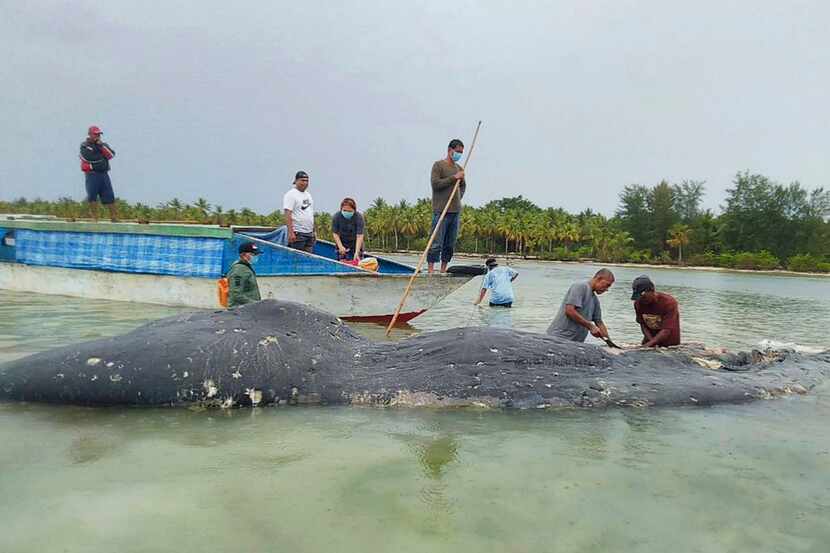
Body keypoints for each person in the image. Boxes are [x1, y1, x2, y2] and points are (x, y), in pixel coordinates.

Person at [428, 138, 466, 273]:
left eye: (461, 152)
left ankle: (443, 270)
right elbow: (436, 184)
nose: (459, 154)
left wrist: (458, 196)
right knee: (436, 242)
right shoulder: (438, 166)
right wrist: (453, 178)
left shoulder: (460, 169)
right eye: (457, 151)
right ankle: (431, 270)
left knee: (449, 244)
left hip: (455, 212)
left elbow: (463, 187)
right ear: (450, 150)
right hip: (441, 210)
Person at [546, 269, 615, 342]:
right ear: (598, 278)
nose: (607, 289)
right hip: (558, 338)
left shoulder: (595, 300)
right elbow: (569, 311)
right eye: (607, 285)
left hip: (576, 342)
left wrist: (609, 342)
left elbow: (599, 322)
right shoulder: (580, 286)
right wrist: (590, 326)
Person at [79, 125, 117, 222]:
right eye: (95, 134)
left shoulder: (103, 145)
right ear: (90, 134)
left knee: (110, 196)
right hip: (92, 175)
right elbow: (89, 158)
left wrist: (101, 146)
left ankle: (114, 218)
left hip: (103, 174)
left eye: (99, 134)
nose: (97, 136)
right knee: (92, 196)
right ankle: (95, 218)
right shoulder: (84, 145)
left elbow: (111, 155)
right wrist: (102, 160)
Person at [631, 275, 681, 347]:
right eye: (638, 297)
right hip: (649, 341)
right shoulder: (638, 303)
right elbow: (643, 324)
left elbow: (666, 330)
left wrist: (650, 344)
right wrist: (650, 342)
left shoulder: (669, 303)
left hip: (669, 344)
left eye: (644, 297)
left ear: (652, 290)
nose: (641, 300)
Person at [283, 171, 315, 252]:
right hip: (298, 232)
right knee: (297, 258)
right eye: (302, 180)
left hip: (309, 233)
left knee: (308, 258)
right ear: (296, 181)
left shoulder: (308, 195)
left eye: (307, 181)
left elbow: (310, 213)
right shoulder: (291, 195)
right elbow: (287, 214)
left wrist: (314, 231)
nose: (305, 183)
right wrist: (291, 232)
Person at [227, 242, 262, 308]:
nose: (256, 256)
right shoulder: (239, 269)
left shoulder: (246, 267)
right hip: (240, 311)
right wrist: (255, 304)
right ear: (243, 255)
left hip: (248, 309)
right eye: (253, 254)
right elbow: (236, 294)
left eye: (257, 254)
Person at [331, 197, 365, 262]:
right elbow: (335, 233)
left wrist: (357, 252)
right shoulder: (336, 217)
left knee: (357, 261)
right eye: (344, 210)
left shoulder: (359, 217)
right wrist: (340, 246)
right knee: (341, 262)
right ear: (341, 209)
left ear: (354, 210)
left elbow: (360, 236)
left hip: (356, 244)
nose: (347, 212)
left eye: (350, 211)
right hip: (342, 242)